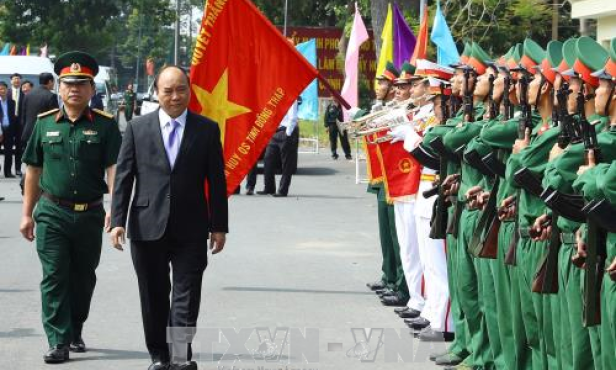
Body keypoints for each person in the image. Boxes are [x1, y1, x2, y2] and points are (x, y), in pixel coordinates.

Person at [109, 65, 228, 370]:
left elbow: (216, 180)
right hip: (146, 225)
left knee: (187, 296)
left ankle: (180, 355)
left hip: (191, 226)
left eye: (181, 90)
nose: (175, 97)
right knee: (154, 294)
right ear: (156, 93)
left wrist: (219, 226)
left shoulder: (206, 129)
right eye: (168, 90)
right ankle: (159, 356)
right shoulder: (137, 128)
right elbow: (123, 176)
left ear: (189, 91)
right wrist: (117, 220)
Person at [19, 51, 122, 364]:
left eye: (82, 84)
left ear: (92, 89)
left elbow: (114, 170)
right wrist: (26, 214)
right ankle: (58, 340)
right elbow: (33, 170)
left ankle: (75, 327)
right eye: (68, 84)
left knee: (83, 277)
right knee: (54, 276)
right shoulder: (44, 124)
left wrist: (114, 210)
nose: (74, 89)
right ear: (59, 89)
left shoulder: (105, 127)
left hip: (90, 213)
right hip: (52, 212)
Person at [19, 72, 58, 191]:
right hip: (44, 133)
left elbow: (23, 116)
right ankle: (35, 185)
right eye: (53, 82)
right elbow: (54, 118)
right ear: (50, 81)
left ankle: (27, 183)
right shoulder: (51, 96)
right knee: (45, 161)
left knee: (31, 162)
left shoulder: (28, 94)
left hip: (28, 132)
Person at [258, 99, 299, 197]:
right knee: (268, 159)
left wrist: (288, 134)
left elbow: (293, 117)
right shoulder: (275, 97)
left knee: (286, 163)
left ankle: (282, 190)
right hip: (274, 131)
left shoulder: (291, 97)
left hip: (286, 131)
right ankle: (269, 188)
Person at [0, 81, 18, 178]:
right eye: (0, 89)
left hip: (9, 130)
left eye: (3, 88)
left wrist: (14, 132)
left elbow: (13, 118)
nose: (2, 90)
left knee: (9, 152)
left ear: (7, 90)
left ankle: (8, 172)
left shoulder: (12, 102)